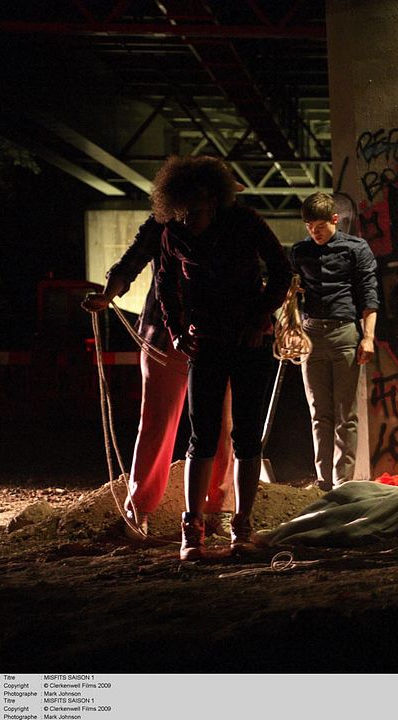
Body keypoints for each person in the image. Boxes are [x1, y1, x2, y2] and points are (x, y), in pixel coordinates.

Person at [153, 155, 292, 560]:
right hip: (207, 343)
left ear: (212, 200)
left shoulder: (245, 222)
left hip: (250, 342)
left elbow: (282, 271)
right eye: (178, 213)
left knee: (248, 436)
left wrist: (262, 316)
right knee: (201, 436)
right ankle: (192, 527)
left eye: (193, 212)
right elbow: (165, 285)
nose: (186, 220)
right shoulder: (173, 234)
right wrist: (177, 332)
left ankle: (242, 525)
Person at [81, 216, 233, 540]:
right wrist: (108, 296)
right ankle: (140, 507)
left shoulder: (230, 224)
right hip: (165, 338)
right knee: (158, 423)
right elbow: (130, 264)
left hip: (214, 337)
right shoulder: (163, 225)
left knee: (221, 425)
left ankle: (219, 509)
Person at [290, 192, 379, 491]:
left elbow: (369, 295)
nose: (314, 232)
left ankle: (344, 483)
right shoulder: (300, 251)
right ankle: (324, 482)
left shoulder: (356, 248)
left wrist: (368, 337)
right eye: (309, 226)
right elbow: (289, 292)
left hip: (345, 335)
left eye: (320, 226)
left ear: (335, 220)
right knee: (319, 413)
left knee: (345, 414)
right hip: (310, 335)